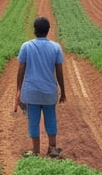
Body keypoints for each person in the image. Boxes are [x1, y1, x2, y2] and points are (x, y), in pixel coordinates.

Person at [14, 16, 66, 157]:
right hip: (49, 91)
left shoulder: (26, 46)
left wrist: (18, 90)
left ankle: (35, 151)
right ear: (48, 30)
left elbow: (21, 70)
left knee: (33, 121)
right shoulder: (55, 47)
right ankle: (52, 148)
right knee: (50, 119)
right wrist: (63, 91)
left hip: (31, 92)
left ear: (34, 30)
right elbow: (59, 72)